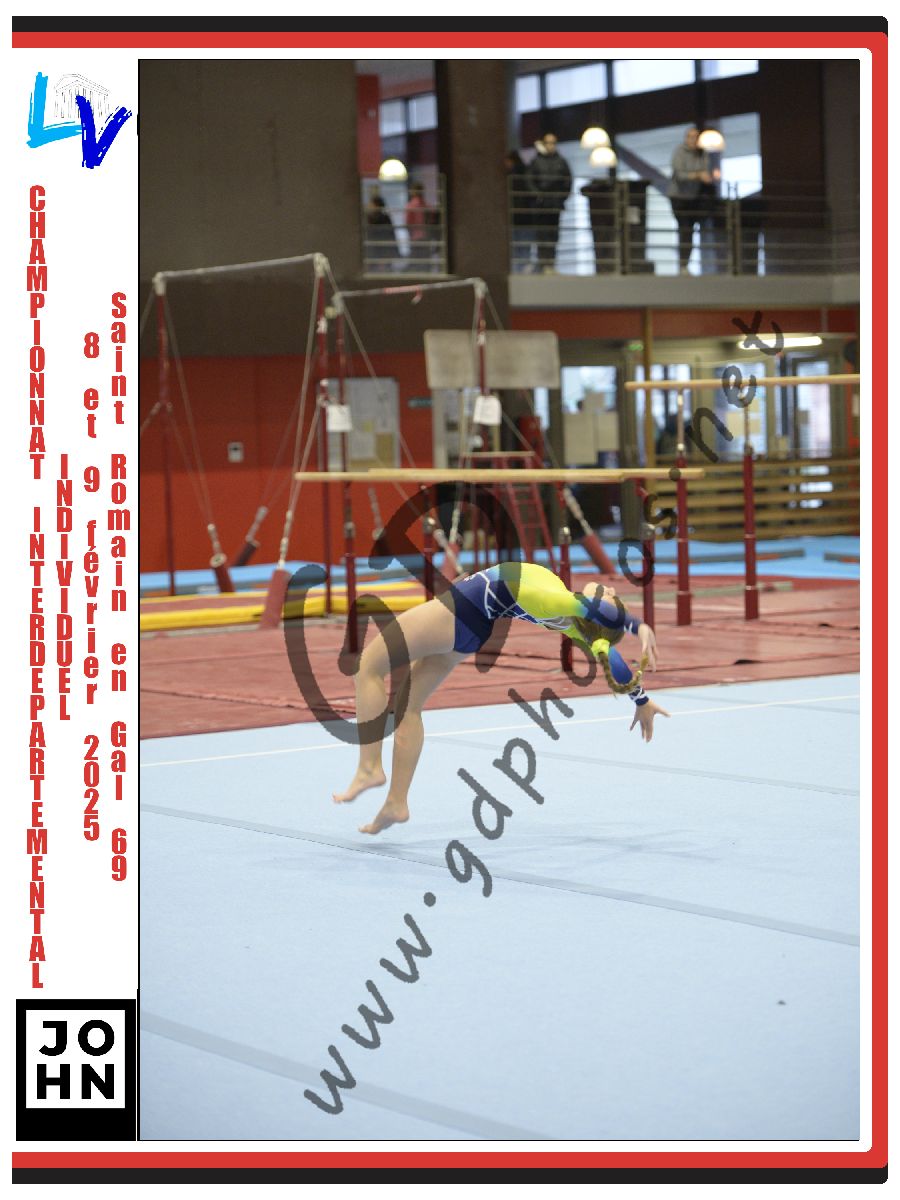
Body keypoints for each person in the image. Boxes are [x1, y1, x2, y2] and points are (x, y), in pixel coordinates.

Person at [333, 561, 669, 834]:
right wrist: (640, 700)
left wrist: (637, 626)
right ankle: (396, 802)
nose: (611, 589)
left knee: (368, 667)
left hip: (460, 611)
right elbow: (609, 655)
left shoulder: (560, 603)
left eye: (610, 597)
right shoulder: (573, 624)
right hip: (473, 627)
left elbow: (604, 618)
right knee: (408, 705)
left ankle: (369, 767)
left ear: (595, 613)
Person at [667, 127, 719, 274]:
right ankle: (682, 265)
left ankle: (686, 265)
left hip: (694, 198)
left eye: (696, 137)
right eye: (691, 137)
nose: (694, 140)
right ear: (686, 138)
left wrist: (707, 177)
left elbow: (707, 172)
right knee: (685, 229)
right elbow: (680, 175)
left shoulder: (703, 154)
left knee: (690, 230)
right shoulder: (679, 152)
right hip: (679, 198)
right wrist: (698, 175)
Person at [526, 133, 572, 273]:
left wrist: (562, 197)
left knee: (553, 234)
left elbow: (568, 180)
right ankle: (543, 263)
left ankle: (551, 263)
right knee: (542, 234)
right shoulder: (536, 161)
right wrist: (538, 195)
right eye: (548, 142)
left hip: (555, 203)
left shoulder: (561, 161)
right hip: (541, 205)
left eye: (553, 143)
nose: (550, 146)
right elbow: (529, 180)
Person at [505, 149, 534, 272]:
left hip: (519, 214)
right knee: (523, 242)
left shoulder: (512, 176)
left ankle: (519, 266)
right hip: (524, 215)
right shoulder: (525, 173)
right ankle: (523, 265)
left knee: (518, 242)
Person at [365, 192, 399, 271]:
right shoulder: (374, 218)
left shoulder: (377, 219)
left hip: (380, 253)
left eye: (371, 204)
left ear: (376, 205)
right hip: (377, 254)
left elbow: (387, 237)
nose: (368, 206)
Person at [404, 181, 429, 269]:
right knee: (424, 259)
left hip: (415, 235)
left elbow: (408, 221)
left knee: (415, 259)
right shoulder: (425, 205)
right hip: (425, 235)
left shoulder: (411, 205)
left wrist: (409, 231)